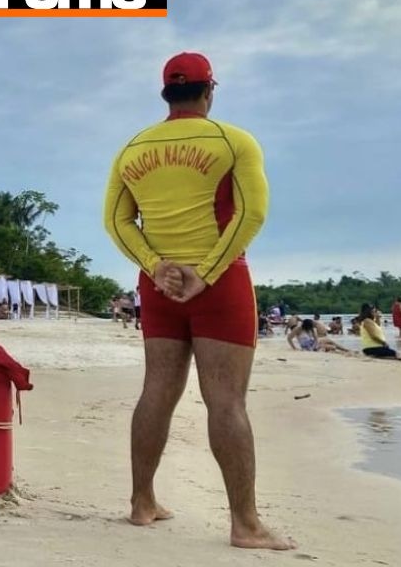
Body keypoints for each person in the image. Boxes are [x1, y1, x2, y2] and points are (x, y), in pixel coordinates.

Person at [102, 52, 292, 550]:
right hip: (219, 283)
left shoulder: (133, 147)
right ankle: (245, 524)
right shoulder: (233, 141)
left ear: (165, 94)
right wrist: (205, 274)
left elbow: (117, 222)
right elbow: (250, 216)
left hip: (159, 286)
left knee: (156, 390)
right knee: (226, 400)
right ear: (211, 91)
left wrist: (154, 266)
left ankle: (142, 503)